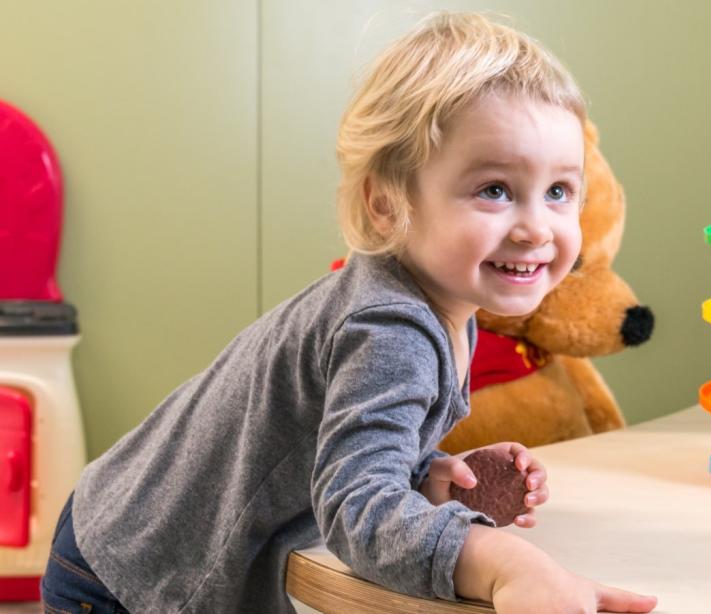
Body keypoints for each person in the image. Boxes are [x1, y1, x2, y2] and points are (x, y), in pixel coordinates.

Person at [40, 11, 658, 614]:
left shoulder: (442, 299)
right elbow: (358, 510)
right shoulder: (391, 326)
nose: (536, 228)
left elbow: (342, 440)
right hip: (126, 574)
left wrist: (427, 474)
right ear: (388, 206)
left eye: (559, 192)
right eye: (494, 189)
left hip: (122, 526)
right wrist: (507, 564)